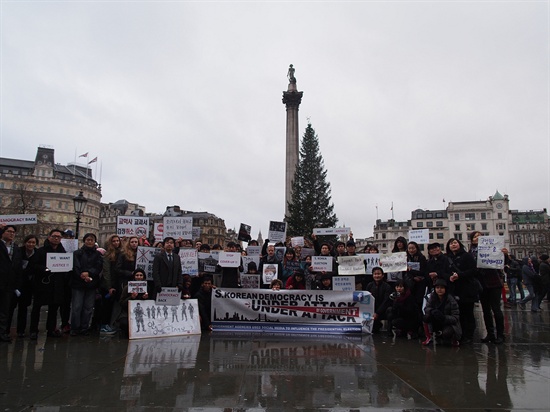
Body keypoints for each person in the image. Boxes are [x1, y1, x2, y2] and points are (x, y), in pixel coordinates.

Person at [30, 229, 70, 339]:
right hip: (43, 283)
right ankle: (33, 330)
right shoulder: (41, 251)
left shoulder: (63, 252)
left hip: (57, 284)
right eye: (54, 236)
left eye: (59, 237)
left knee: (53, 309)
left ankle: (51, 329)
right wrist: (45, 269)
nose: (56, 238)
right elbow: (33, 266)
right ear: (49, 237)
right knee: (37, 308)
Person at [469, 231, 505, 344]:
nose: (477, 237)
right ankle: (490, 334)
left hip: (493, 282)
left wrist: (505, 255)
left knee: (496, 309)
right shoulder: (470, 253)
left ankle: (500, 335)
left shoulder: (493, 248)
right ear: (472, 240)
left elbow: (503, 263)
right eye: (475, 236)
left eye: (479, 235)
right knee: (485, 310)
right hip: (481, 284)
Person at [445, 238, 478, 344]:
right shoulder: (447, 258)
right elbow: (444, 271)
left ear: (459, 244)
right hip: (454, 289)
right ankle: (460, 334)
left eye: (455, 243)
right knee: (458, 314)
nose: (453, 245)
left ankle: (469, 335)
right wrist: (449, 277)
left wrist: (459, 275)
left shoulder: (467, 256)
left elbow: (473, 270)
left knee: (468, 313)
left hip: (466, 288)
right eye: (451, 243)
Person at [70, 233, 103, 336]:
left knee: (88, 308)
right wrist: (82, 275)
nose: (90, 241)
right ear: (84, 241)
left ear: (94, 242)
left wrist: (89, 273)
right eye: (88, 240)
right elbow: (75, 266)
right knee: (76, 307)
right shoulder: (77, 253)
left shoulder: (98, 255)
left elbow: (98, 267)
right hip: (78, 283)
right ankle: (75, 328)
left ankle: (84, 327)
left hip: (92, 284)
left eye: (92, 240)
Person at [7, 234, 37, 338]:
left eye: (33, 242)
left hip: (28, 286)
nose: (31, 244)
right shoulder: (18, 251)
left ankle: (21, 330)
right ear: (25, 243)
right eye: (29, 242)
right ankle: (5, 330)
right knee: (10, 308)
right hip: (16, 284)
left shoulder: (37, 253)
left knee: (23, 309)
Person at [422, 279, 461, 346]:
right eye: (437, 288)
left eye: (442, 288)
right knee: (426, 317)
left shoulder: (451, 300)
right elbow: (426, 308)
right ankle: (429, 338)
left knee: (447, 333)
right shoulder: (432, 297)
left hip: (449, 323)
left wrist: (444, 317)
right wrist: (432, 311)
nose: (439, 290)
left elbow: (455, 318)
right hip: (436, 321)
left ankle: (453, 339)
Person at [0, 225, 22, 342]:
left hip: (9, 284)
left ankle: (3, 333)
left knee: (5, 311)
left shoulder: (16, 248)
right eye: (9, 231)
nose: (11, 234)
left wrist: (17, 285)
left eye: (13, 232)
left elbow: (18, 268)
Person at [99, 234, 121, 335]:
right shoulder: (107, 255)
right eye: (114, 241)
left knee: (113, 306)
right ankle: (104, 325)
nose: (116, 243)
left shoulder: (120, 254)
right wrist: (109, 287)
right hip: (108, 285)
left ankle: (109, 324)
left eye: (118, 241)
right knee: (106, 307)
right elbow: (106, 272)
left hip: (116, 283)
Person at [118, 268, 150, 337]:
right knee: (124, 323)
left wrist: (145, 298)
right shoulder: (127, 287)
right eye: (137, 275)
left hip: (142, 314)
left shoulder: (148, 287)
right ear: (134, 277)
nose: (139, 277)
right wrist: (131, 298)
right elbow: (121, 303)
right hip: (127, 313)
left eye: (141, 275)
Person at [364, 267, 392, 334]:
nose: (377, 276)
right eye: (375, 274)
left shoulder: (387, 287)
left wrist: (377, 312)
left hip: (383, 310)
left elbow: (386, 302)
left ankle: (389, 330)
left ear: (382, 275)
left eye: (378, 274)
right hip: (372, 310)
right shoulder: (370, 285)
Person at [405, 241, 428, 310]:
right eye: (409, 248)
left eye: (413, 248)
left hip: (420, 284)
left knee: (418, 302)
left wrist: (410, 270)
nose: (411, 250)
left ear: (416, 248)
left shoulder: (422, 257)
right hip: (410, 283)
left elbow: (423, 271)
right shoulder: (406, 258)